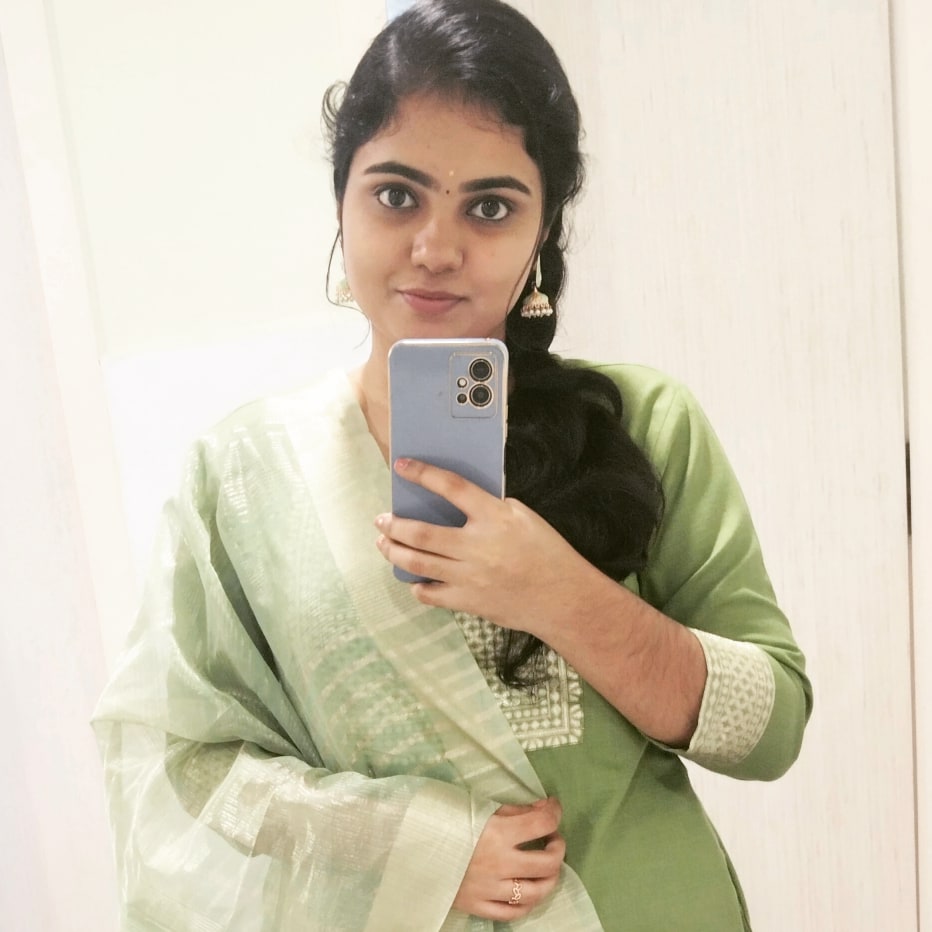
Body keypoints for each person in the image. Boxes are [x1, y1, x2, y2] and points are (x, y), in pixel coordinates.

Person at [93, 1, 812, 929]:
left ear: (542, 231)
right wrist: (418, 845)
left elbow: (771, 732)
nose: (436, 249)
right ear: (342, 205)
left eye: (490, 206)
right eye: (397, 196)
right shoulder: (242, 477)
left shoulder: (642, 423)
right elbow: (186, 761)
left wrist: (558, 592)